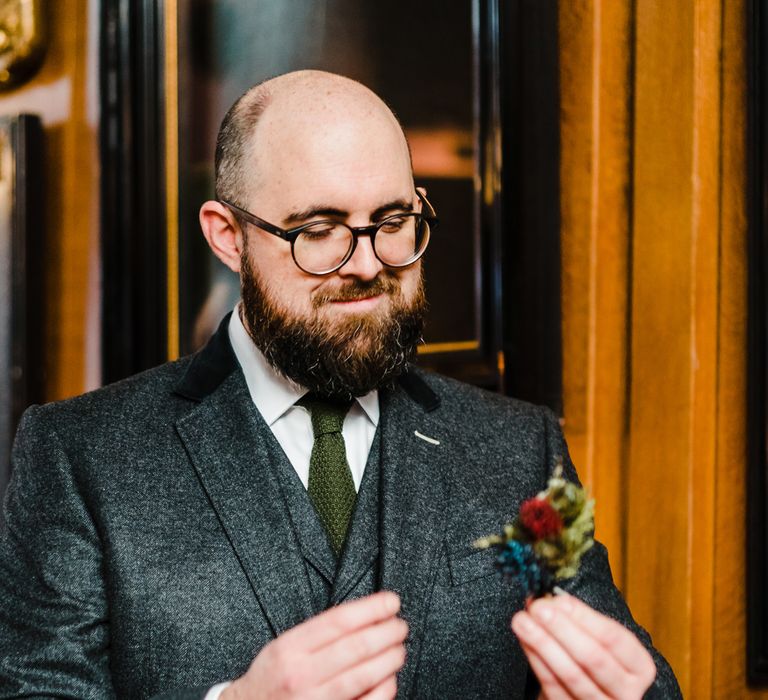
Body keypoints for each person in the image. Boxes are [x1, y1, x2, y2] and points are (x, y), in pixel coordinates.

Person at [0, 70, 680, 699]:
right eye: (319, 230)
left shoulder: (522, 452)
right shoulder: (78, 457)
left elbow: (619, 669)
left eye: (391, 221)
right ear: (227, 236)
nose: (366, 265)